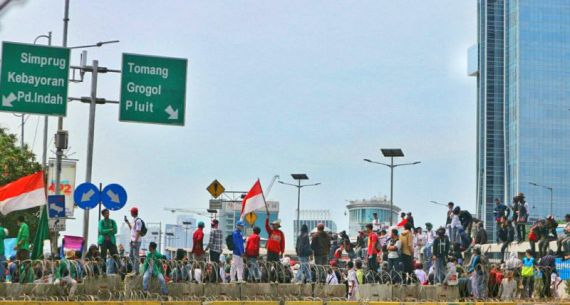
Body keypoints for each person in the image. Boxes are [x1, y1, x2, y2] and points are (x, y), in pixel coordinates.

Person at [98, 209, 118, 273]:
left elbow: (115, 231)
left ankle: (116, 271)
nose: (107, 214)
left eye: (108, 213)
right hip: (103, 241)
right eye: (106, 213)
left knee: (115, 255)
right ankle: (103, 272)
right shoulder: (101, 222)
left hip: (111, 241)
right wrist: (110, 230)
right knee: (103, 256)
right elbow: (101, 230)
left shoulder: (113, 221)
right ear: (103, 215)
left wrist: (106, 232)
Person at [124, 207, 142, 275]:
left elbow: (138, 231)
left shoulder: (138, 221)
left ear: (132, 213)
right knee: (131, 256)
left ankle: (136, 271)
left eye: (131, 212)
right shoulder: (133, 220)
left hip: (136, 241)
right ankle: (133, 269)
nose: (130, 213)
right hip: (132, 240)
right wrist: (127, 222)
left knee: (135, 256)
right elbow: (132, 229)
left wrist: (135, 241)